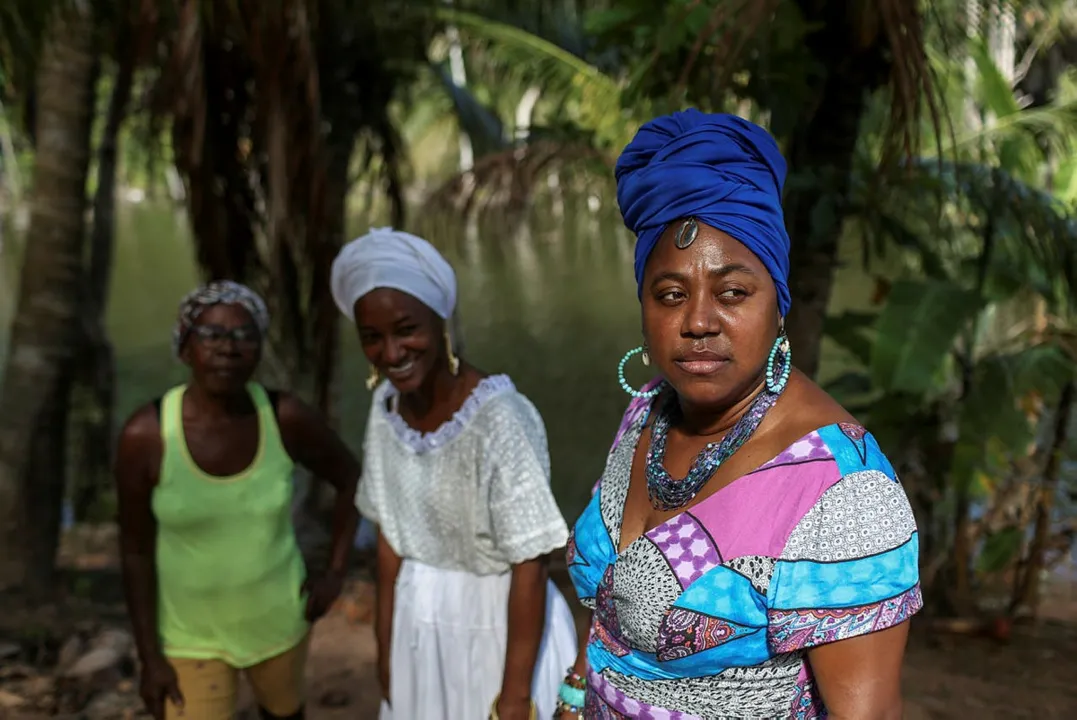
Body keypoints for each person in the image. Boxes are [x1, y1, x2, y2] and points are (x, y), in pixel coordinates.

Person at [560, 111, 922, 719]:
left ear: (778, 303)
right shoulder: (648, 412)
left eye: (732, 293)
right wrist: (574, 694)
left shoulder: (843, 491)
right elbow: (608, 610)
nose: (698, 321)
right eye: (670, 295)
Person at [331, 227, 578, 720]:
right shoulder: (385, 410)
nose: (392, 352)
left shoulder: (500, 418)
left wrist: (513, 697)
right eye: (372, 338)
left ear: (441, 321)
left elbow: (530, 563)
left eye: (407, 329)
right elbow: (388, 539)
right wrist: (385, 648)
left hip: (500, 628)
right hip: (419, 628)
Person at [116, 281, 362, 720]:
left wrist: (335, 572)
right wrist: (149, 658)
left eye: (245, 335)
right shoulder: (147, 435)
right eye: (211, 334)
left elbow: (350, 479)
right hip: (188, 637)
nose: (228, 348)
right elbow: (134, 552)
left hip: (279, 624)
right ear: (184, 347)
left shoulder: (283, 417)